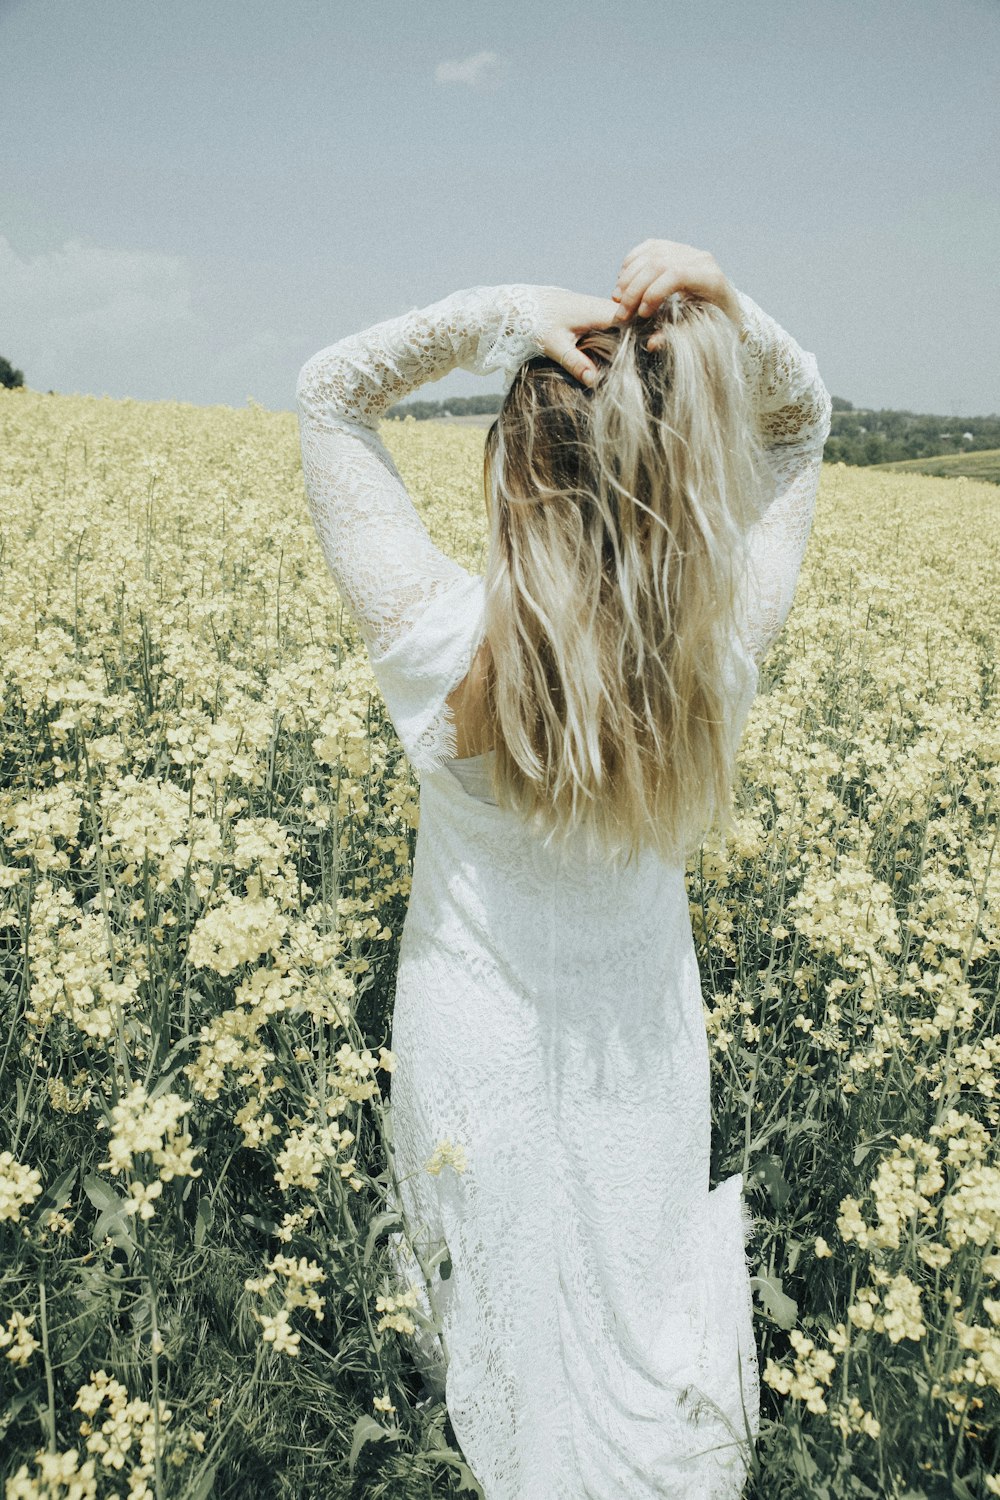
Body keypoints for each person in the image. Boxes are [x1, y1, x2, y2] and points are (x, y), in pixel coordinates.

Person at [295, 239, 832, 1500]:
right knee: (635, 1313)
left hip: (468, 1033)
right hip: (641, 1054)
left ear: (510, 477)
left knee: (473, 1338)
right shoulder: (716, 660)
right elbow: (802, 428)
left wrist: (496, 315)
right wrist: (720, 308)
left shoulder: (440, 649)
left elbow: (329, 391)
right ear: (681, 478)